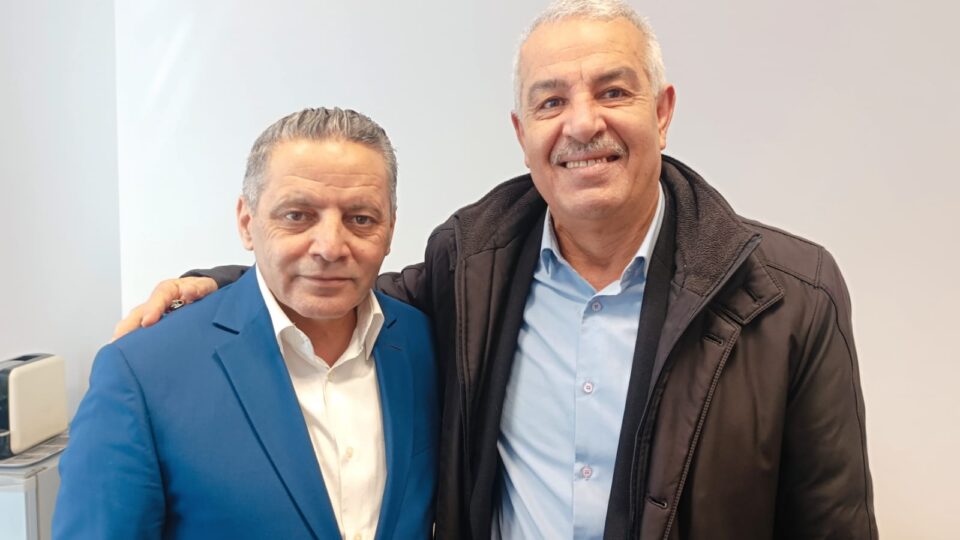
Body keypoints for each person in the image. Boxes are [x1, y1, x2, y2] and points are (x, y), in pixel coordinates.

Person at [114, 1, 878, 538]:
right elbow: (350, 286)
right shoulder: (470, 263)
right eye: (551, 102)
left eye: (613, 91)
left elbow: (832, 524)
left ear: (663, 111)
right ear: (522, 132)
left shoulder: (789, 296)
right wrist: (222, 285)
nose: (583, 123)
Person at [55, 108, 439, 540]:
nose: (330, 247)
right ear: (246, 223)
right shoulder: (141, 373)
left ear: (390, 229)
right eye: (297, 215)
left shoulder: (427, 348)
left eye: (361, 219)